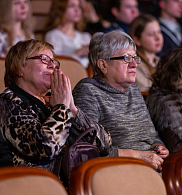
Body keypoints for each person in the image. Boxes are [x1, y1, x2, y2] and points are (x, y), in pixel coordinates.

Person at [0, 39, 111, 173]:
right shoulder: (7, 102)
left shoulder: (54, 102)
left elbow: (104, 145)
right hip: (34, 185)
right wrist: (62, 108)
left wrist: (73, 110)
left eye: (53, 61)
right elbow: (45, 148)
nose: (52, 65)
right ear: (19, 68)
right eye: (43, 59)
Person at [72, 30, 169, 171]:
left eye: (135, 58)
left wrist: (158, 147)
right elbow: (85, 150)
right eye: (126, 58)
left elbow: (151, 135)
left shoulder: (133, 90)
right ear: (103, 65)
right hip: (117, 173)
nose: (134, 64)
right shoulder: (88, 91)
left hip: (150, 169)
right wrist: (136, 156)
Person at [45, 0, 94, 69]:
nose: (77, 10)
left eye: (79, 6)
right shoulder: (54, 36)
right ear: (60, 10)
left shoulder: (85, 36)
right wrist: (78, 53)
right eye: (71, 6)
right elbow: (54, 65)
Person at [129, 14, 164, 92]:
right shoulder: (134, 66)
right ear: (137, 40)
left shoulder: (163, 62)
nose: (158, 38)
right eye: (151, 34)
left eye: (159, 32)